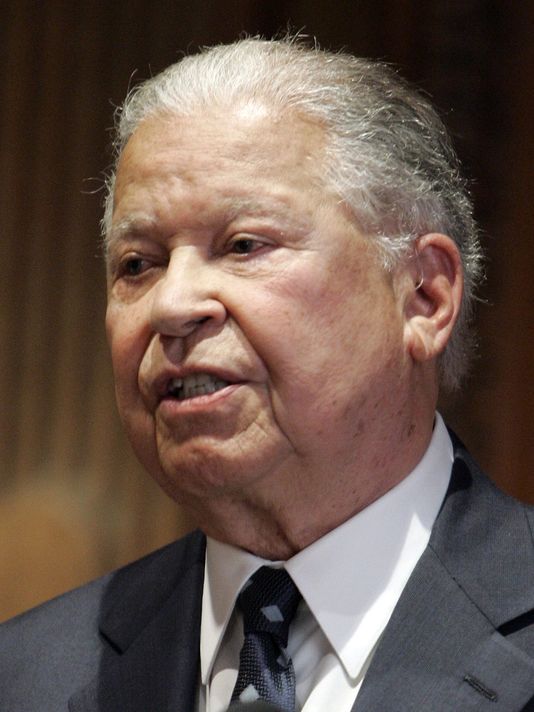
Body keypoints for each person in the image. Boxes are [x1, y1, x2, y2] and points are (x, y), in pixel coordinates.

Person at [2, 36, 534, 712]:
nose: (172, 305)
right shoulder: (24, 678)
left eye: (244, 245)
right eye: (138, 264)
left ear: (423, 297)